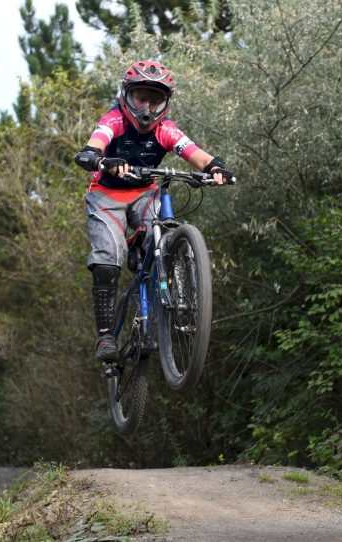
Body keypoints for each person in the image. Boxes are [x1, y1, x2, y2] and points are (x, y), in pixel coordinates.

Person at [73, 60, 233, 363]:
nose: (147, 107)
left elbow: (194, 153)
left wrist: (216, 168)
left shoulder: (166, 130)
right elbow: (96, 142)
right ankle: (106, 335)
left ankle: (157, 265)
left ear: (166, 103)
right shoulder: (114, 121)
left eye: (155, 99)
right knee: (108, 258)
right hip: (106, 196)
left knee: (167, 230)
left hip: (145, 193)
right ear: (126, 95)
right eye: (140, 98)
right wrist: (97, 158)